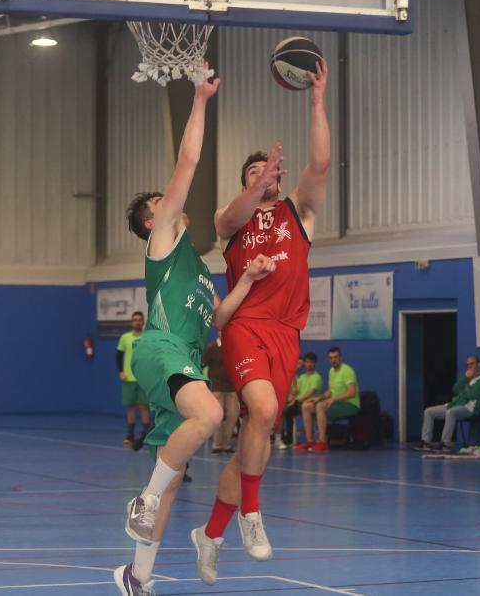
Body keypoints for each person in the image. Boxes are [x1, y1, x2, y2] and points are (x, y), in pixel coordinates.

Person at [113, 67, 276, 596]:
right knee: (208, 415)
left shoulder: (199, 272)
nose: (169, 200)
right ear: (151, 221)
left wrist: (247, 280)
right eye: (160, 201)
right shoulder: (163, 243)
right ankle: (144, 498)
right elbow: (188, 160)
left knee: (177, 471)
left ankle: (136, 576)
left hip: (185, 353)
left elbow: (218, 320)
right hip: (159, 350)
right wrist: (201, 100)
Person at [191, 59, 330, 586]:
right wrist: (256, 183)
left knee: (260, 426)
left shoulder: (300, 212)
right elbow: (229, 214)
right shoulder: (233, 223)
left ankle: (211, 532)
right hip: (244, 324)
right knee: (265, 408)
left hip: (286, 333)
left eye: (268, 173)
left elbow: (320, 163)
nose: (263, 178)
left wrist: (316, 100)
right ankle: (252, 511)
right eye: (253, 174)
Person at [415, 355, 480, 452]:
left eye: (472, 364)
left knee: (451, 412)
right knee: (428, 411)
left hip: (469, 409)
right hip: (455, 404)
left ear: (478, 365)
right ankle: (426, 442)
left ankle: (446, 444)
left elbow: (472, 395)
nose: (469, 366)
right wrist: (466, 379)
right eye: (468, 364)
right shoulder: (467, 378)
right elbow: (455, 389)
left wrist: (464, 390)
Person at [116, 311, 150, 449]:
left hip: (144, 378)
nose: (137, 322)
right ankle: (130, 435)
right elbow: (118, 356)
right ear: (132, 322)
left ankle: (146, 435)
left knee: (144, 407)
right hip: (128, 378)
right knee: (131, 407)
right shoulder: (125, 338)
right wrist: (120, 371)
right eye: (134, 319)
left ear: (143, 322)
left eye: (139, 320)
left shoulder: (148, 337)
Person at [202, 335, 240, 454]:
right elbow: (202, 363)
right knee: (217, 417)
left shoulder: (234, 348)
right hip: (216, 387)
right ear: (218, 332)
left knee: (233, 415)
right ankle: (217, 445)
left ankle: (226, 444)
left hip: (232, 388)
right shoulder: (212, 348)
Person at [273, 356, 304, 450]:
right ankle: (277, 438)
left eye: (301, 365)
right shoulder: (285, 376)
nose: (298, 367)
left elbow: (298, 393)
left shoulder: (300, 377)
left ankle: (280, 439)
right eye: (297, 364)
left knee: (283, 411)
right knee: (281, 410)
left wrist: (295, 400)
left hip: (297, 403)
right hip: (285, 402)